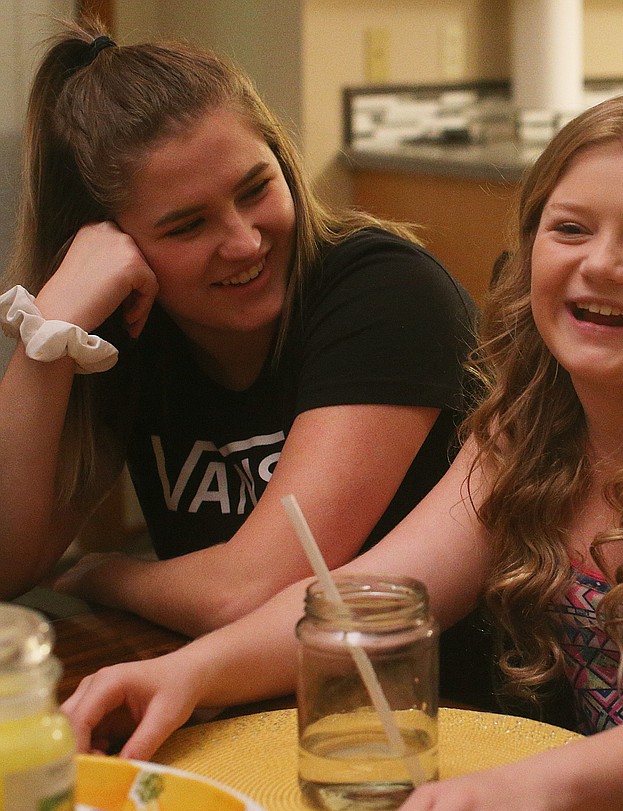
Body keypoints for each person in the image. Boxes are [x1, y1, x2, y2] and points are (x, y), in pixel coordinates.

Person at [62, 90, 623, 811]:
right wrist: (186, 673)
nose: (602, 263)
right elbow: (373, 595)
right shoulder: (529, 431)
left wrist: (535, 788)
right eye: (571, 229)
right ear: (529, 257)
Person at [0, 20, 481, 655]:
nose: (244, 241)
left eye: (256, 189)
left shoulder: (388, 293)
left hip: (447, 709)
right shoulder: (126, 329)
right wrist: (48, 335)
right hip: (243, 705)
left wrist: (100, 572)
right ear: (110, 242)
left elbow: (247, 594)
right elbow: (6, 563)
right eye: (186, 226)